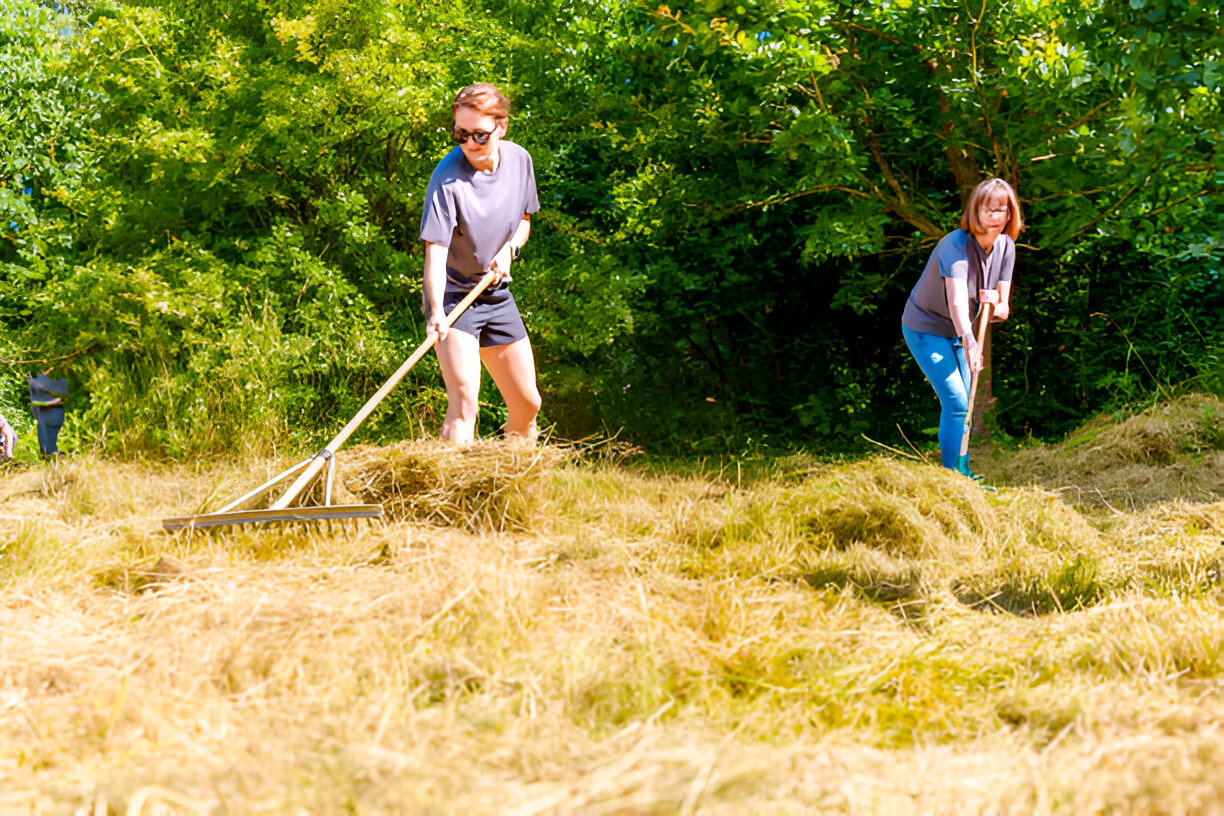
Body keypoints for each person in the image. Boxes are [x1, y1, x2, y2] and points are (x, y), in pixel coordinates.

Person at [419, 82, 542, 445]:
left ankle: (513, 488)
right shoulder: (447, 179)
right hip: (455, 297)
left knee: (527, 403)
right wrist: (436, 311)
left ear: (501, 128)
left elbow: (524, 221)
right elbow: (435, 254)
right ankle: (448, 498)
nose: (470, 143)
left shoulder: (520, 160)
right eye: (461, 134)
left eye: (480, 135)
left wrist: (509, 251)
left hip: (495, 293)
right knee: (464, 405)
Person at [901, 178, 1023, 476]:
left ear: (1010, 214)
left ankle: (963, 469)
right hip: (926, 326)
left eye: (1002, 210)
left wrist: (998, 305)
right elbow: (956, 303)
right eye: (988, 209)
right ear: (975, 211)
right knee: (957, 402)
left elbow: (1003, 305)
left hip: (959, 330)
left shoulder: (1006, 247)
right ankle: (952, 476)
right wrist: (970, 342)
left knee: (967, 404)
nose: (995, 216)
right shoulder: (955, 246)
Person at [29, 368, 67, 456]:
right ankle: (49, 453)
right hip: (45, 412)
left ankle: (50, 453)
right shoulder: (37, 380)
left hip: (49, 412)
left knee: (48, 433)